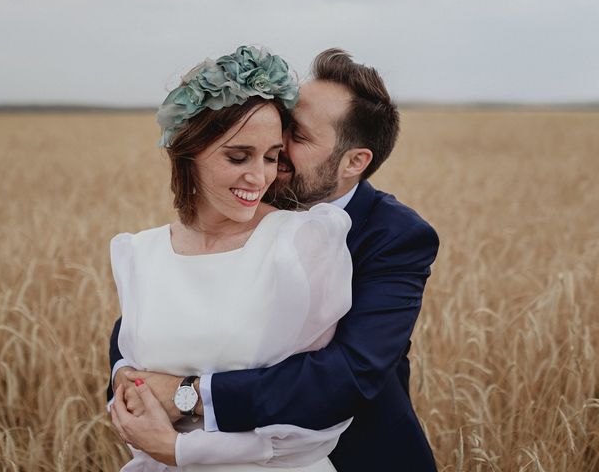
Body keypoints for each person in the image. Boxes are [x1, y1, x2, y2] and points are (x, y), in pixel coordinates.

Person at [110, 48, 440, 471]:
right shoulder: (244, 199)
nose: (275, 149)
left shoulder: (395, 236)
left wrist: (185, 395)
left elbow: (348, 373)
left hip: (354, 456)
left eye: (297, 136)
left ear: (354, 162)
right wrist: (129, 379)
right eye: (284, 124)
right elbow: (153, 313)